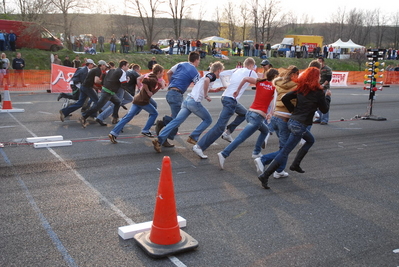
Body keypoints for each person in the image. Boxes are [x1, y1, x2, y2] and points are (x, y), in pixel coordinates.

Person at [258, 67, 331, 189]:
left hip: (292, 121)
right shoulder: (318, 92)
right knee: (285, 151)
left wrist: (293, 110)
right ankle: (265, 175)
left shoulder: (301, 89)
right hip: (300, 125)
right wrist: (327, 97)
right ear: (316, 78)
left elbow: (286, 98)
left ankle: (295, 164)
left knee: (310, 140)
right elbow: (324, 110)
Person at [192, 57, 259, 159]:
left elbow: (222, 74)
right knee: (219, 127)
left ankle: (228, 132)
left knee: (244, 113)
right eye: (253, 66)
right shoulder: (251, 72)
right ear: (251, 65)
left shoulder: (237, 69)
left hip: (226, 97)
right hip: (231, 100)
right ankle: (199, 146)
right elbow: (260, 82)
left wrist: (224, 83)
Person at [152, 61, 225, 153]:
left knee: (176, 121)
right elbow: (207, 81)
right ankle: (193, 137)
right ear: (218, 70)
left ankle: (159, 140)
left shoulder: (205, 76)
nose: (222, 73)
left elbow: (202, 86)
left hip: (187, 100)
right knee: (208, 119)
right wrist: (206, 95)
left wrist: (214, 90)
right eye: (222, 71)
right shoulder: (212, 76)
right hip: (194, 102)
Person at [217, 68, 280, 169]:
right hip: (258, 117)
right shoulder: (274, 87)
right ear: (276, 77)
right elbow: (274, 101)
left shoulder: (259, 81)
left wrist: (237, 90)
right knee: (241, 138)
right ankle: (224, 153)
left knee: (265, 130)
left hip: (250, 113)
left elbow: (245, 78)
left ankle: (256, 152)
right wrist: (271, 112)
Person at [254, 66, 300, 179]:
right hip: (285, 118)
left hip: (275, 116)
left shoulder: (279, 83)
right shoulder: (296, 86)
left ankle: (279, 170)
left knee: (283, 147)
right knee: (285, 149)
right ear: (294, 75)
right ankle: (263, 159)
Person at [108, 64, 165, 143]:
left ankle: (113, 133)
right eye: (162, 72)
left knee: (128, 116)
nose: (163, 74)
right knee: (154, 113)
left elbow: (150, 91)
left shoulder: (152, 76)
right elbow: (145, 81)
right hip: (143, 101)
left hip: (137, 99)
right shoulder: (154, 79)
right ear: (159, 72)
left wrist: (157, 87)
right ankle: (145, 130)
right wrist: (148, 91)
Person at [154, 51, 201, 147]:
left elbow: (169, 72)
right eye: (199, 60)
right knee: (177, 121)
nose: (199, 62)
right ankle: (162, 127)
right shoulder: (194, 71)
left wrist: (172, 83)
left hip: (170, 92)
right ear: (196, 60)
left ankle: (164, 135)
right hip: (177, 95)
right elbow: (199, 85)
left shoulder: (181, 64)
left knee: (176, 118)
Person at [79, 60, 127, 128]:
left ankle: (115, 118)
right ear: (123, 66)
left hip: (109, 91)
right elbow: (124, 83)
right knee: (98, 106)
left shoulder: (113, 70)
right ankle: (84, 117)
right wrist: (128, 80)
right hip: (108, 92)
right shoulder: (122, 72)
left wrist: (105, 83)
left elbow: (105, 74)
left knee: (118, 102)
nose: (128, 68)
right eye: (127, 66)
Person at [314, 56, 332, 125]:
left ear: (323, 62)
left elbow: (328, 79)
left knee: (324, 104)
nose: (319, 63)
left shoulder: (327, 69)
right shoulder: (316, 69)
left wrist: (323, 85)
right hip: (317, 88)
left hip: (324, 88)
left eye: (320, 61)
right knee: (317, 104)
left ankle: (324, 119)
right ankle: (318, 118)